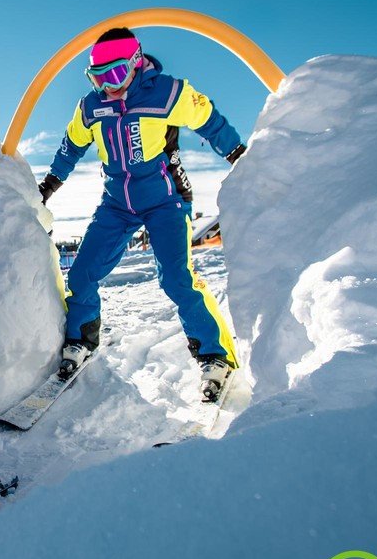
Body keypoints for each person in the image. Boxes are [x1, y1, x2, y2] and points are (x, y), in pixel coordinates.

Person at [38, 27, 247, 401]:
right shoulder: (91, 106)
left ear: (135, 63)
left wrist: (238, 156)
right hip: (117, 204)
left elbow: (209, 119)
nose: (108, 86)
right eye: (97, 78)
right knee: (83, 273)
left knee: (177, 279)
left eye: (115, 75)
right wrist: (51, 183)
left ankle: (215, 356)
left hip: (166, 200)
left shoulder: (167, 92)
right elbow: (71, 145)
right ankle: (81, 340)